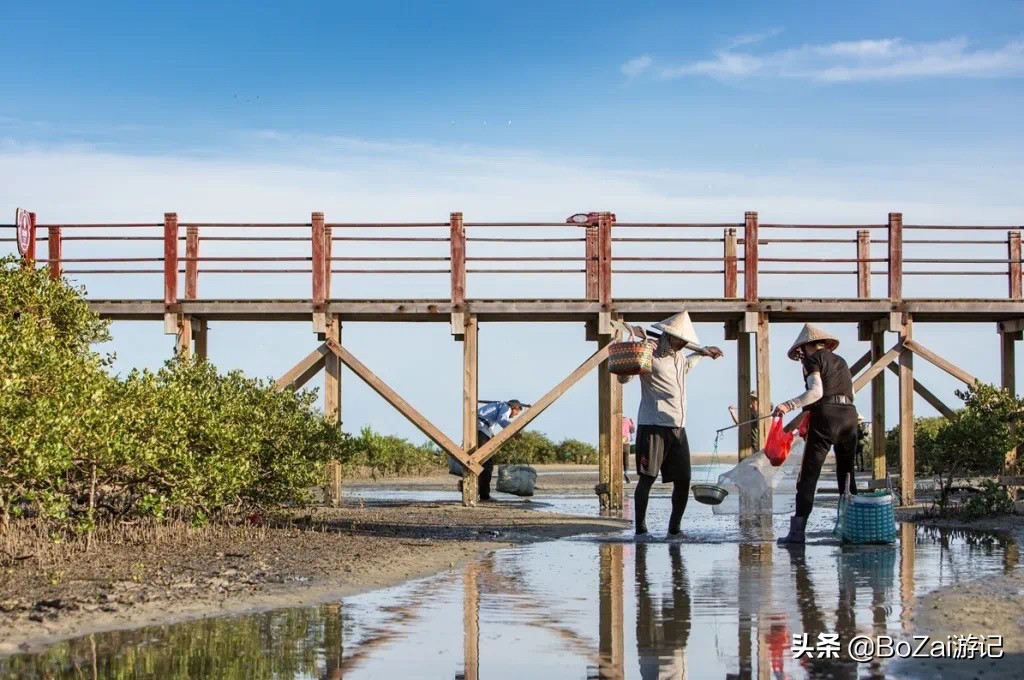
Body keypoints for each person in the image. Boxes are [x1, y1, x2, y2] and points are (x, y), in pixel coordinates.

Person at [619, 311, 723, 536]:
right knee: (647, 478)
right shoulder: (649, 351)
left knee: (684, 479)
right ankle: (641, 530)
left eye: (686, 341)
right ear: (669, 335)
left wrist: (703, 354)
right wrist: (628, 367)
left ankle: (674, 529)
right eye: (681, 340)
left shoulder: (680, 357)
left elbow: (687, 367)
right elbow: (623, 377)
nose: (684, 343)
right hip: (653, 425)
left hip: (678, 426)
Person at [774, 325, 857, 544]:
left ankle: (797, 532)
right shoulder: (842, 362)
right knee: (846, 475)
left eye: (802, 349)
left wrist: (787, 405)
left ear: (808, 346)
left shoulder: (813, 360)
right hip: (849, 416)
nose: (801, 354)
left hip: (826, 418)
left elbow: (816, 392)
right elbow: (852, 393)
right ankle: (854, 528)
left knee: (809, 474)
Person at [475, 399, 525, 501]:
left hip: (479, 428)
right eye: (517, 412)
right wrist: (514, 431)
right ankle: (484, 495)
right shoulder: (506, 407)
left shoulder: (498, 406)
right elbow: (502, 420)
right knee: (486, 463)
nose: (515, 415)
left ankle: (476, 490)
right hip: (481, 428)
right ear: (514, 408)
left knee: (478, 462)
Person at [622, 416, 636, 484]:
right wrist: (632, 422)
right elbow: (632, 430)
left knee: (616, 460)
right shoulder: (627, 420)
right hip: (626, 441)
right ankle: (626, 472)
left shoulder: (615, 420)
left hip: (616, 442)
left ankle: (616, 473)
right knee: (626, 459)